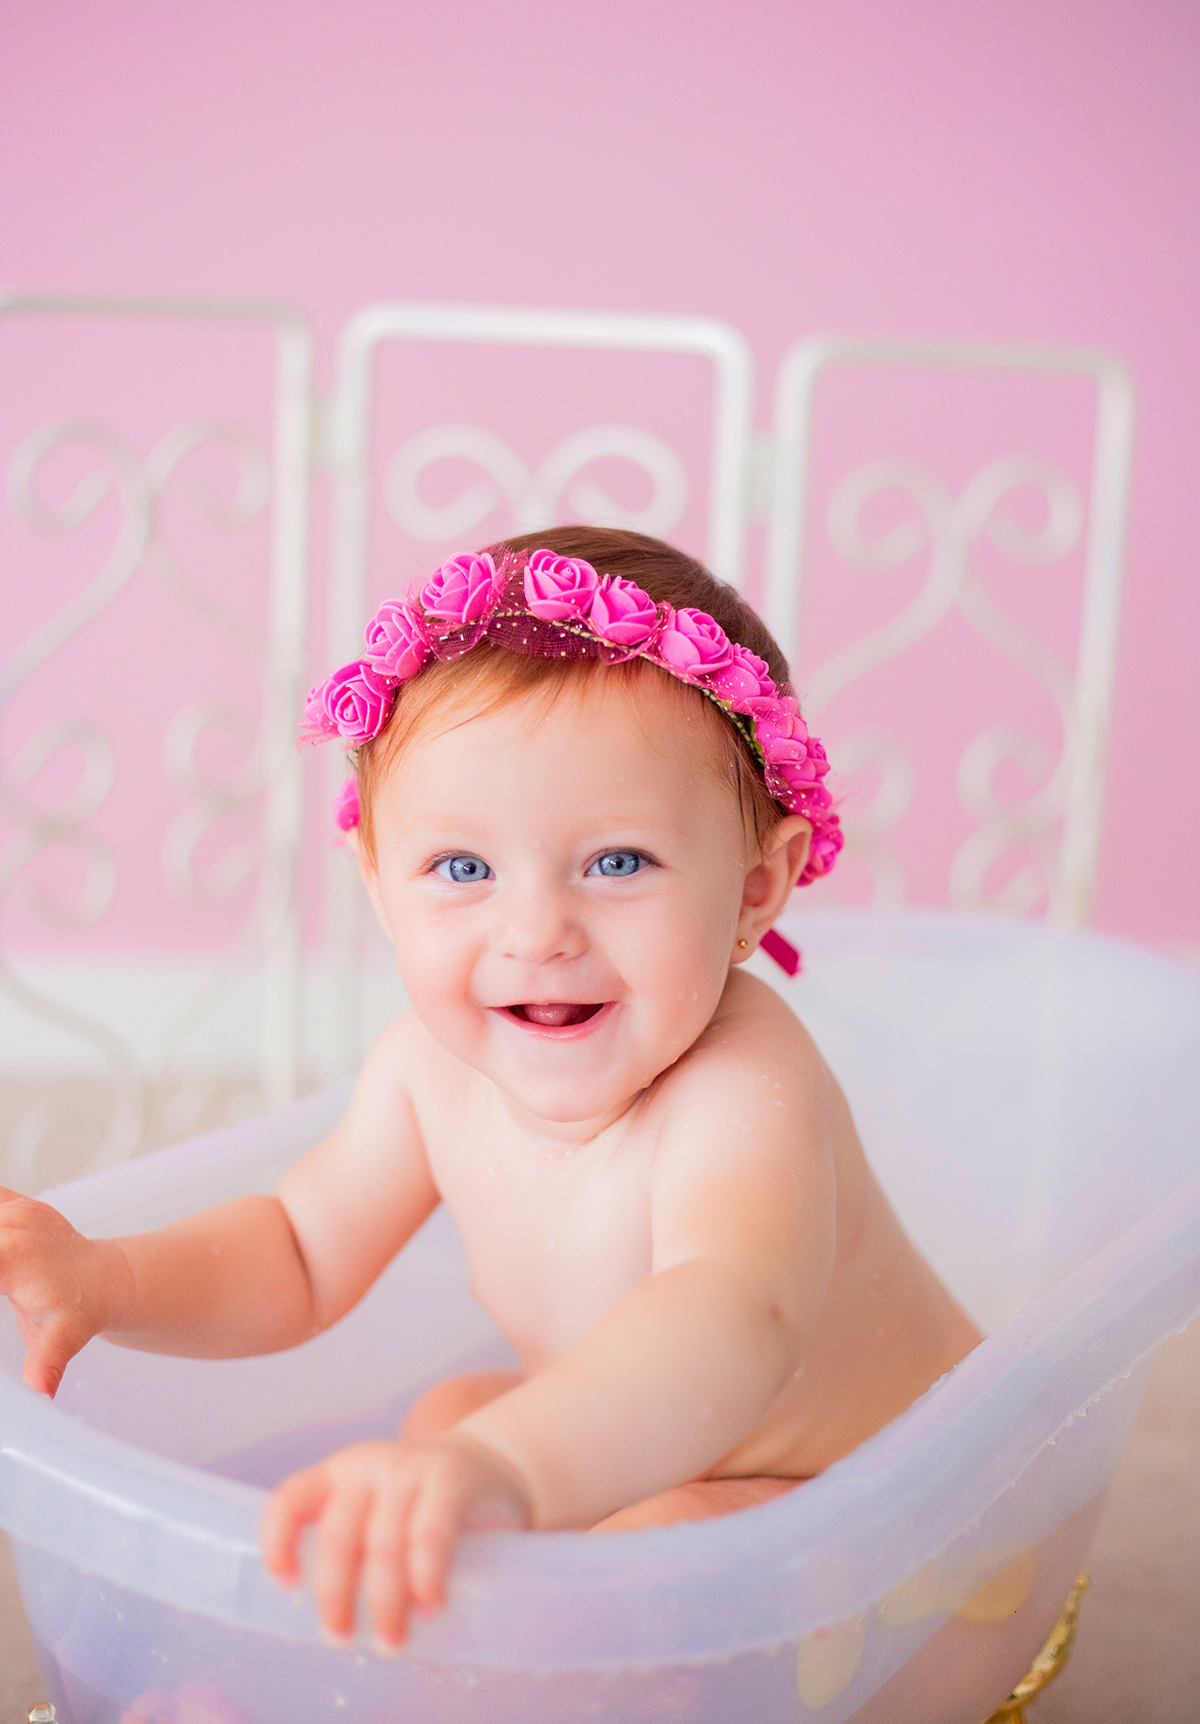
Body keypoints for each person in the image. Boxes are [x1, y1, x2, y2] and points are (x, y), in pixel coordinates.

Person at [0, 526, 981, 1659]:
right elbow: (300, 1254)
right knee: (438, 1428)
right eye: (461, 870)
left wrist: (504, 1470)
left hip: (851, 1487)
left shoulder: (745, 1083)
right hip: (642, 1435)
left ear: (756, 889)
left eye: (617, 863)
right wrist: (108, 1275)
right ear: (378, 883)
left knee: (623, 1542)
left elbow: (730, 1312)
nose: (535, 933)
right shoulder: (426, 1073)